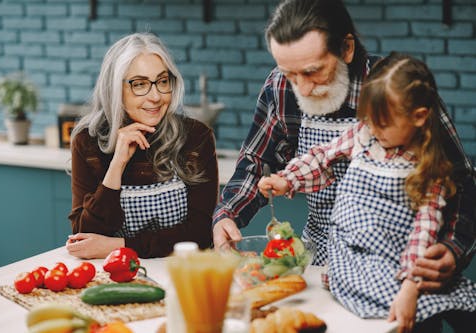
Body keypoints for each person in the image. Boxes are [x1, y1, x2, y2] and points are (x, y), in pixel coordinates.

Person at [213, 0, 475, 292]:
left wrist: (453, 247)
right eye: (289, 73)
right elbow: (256, 162)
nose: (302, 88)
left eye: (313, 72)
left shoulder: (399, 90)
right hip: (323, 264)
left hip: (402, 267)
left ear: (346, 48)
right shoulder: (280, 86)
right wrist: (227, 213)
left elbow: (460, 181)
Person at [258, 53, 476, 333]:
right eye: (368, 118)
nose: (373, 128)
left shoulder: (427, 169)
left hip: (391, 267)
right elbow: (322, 157)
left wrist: (410, 288)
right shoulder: (364, 134)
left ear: (419, 117)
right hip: (346, 260)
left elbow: (422, 237)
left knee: (410, 311)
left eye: (382, 122)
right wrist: (287, 180)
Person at [65, 33, 219, 259]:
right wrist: (117, 163)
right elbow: (84, 237)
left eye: (163, 81)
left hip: (182, 272)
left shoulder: (196, 137)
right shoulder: (87, 142)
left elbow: (202, 233)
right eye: (139, 84)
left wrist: (118, 246)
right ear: (115, 89)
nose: (156, 96)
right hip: (111, 277)